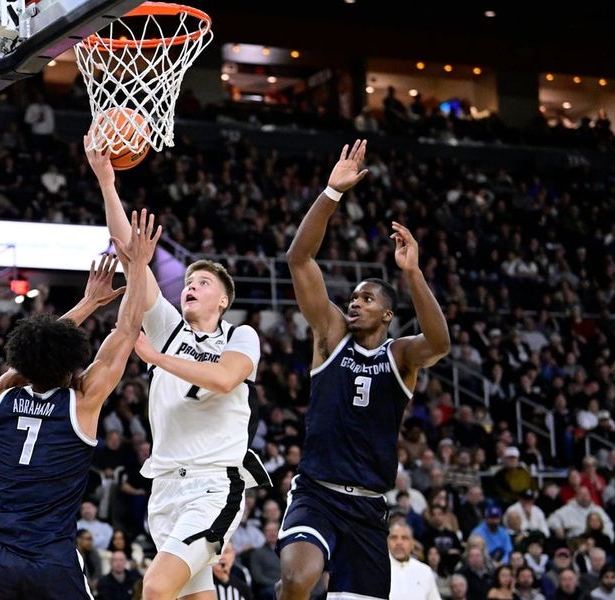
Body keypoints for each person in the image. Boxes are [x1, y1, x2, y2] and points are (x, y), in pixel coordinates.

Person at [87, 136, 271, 600]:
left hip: (213, 485)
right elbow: (130, 252)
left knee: (155, 588)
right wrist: (108, 183)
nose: (191, 287)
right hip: (164, 487)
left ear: (223, 299)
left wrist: (156, 359)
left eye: (203, 283)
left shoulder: (239, 335)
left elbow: (225, 378)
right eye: (188, 281)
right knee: (194, 597)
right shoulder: (169, 326)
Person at [277, 139, 451, 600]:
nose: (354, 302)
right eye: (352, 296)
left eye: (366, 298)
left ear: (388, 315)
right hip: (316, 492)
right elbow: (299, 259)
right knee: (296, 578)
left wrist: (412, 274)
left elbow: (440, 343)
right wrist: (330, 194)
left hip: (369, 507)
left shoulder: (400, 356)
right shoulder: (331, 335)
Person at [0, 211, 159, 600]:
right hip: (49, 557)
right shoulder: (81, 403)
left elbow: (37, 349)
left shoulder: (3, 393)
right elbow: (126, 331)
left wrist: (87, 303)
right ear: (71, 362)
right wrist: (138, 266)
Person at [387, 521, 440, 600]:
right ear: (387, 542)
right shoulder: (377, 569)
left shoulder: (425, 571)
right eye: (394, 538)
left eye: (404, 538)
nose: (399, 542)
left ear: (412, 544)